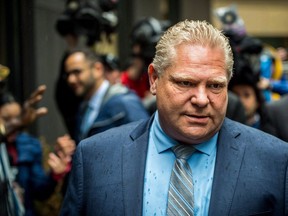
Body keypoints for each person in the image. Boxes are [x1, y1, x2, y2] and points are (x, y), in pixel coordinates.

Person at [60, 20, 288, 216]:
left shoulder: (275, 162)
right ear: (154, 79)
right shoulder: (95, 158)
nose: (201, 99)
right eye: (185, 83)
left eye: (215, 85)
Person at [0, 93, 70, 216]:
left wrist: (54, 175)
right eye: (7, 119)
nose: (16, 123)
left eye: (18, 117)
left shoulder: (29, 145)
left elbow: (40, 192)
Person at [62, 48, 149, 144]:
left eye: (77, 72)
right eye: (68, 74)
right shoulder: (83, 108)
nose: (71, 80)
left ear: (98, 69)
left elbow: (145, 143)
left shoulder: (125, 102)